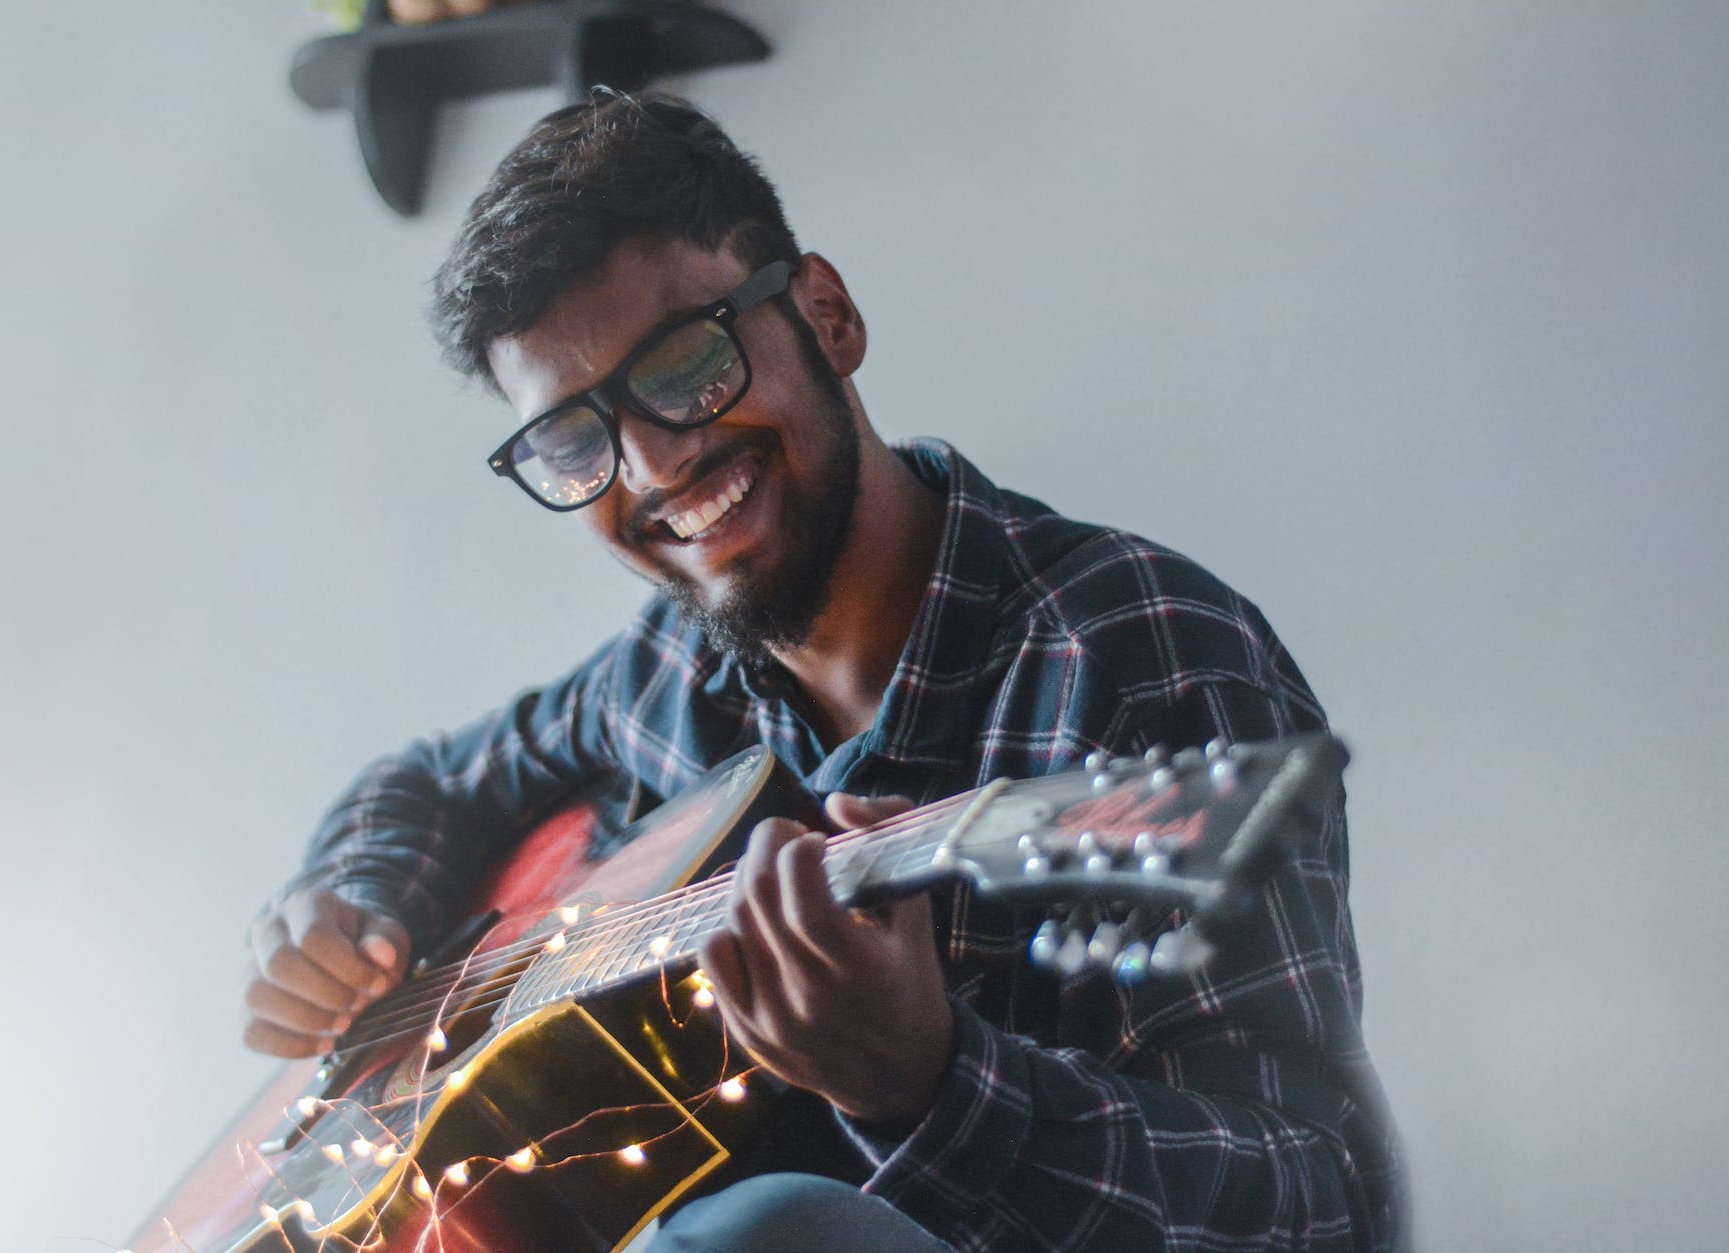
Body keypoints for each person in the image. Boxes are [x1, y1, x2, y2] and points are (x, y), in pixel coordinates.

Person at [242, 90, 1403, 1251]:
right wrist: (353, 904)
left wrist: (934, 1086)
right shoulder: (669, 674)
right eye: (571, 440)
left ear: (826, 316)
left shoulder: (1139, 657)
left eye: (684, 363)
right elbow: (434, 777)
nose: (650, 465)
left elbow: (1322, 1205)